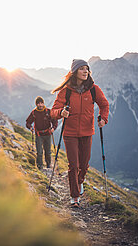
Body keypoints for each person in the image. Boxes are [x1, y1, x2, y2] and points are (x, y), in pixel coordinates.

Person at [50, 59, 109, 208]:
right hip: (69, 133)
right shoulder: (66, 91)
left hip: (87, 132)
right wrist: (61, 112)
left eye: (87, 69)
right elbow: (53, 111)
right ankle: (74, 197)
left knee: (84, 165)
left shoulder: (94, 89)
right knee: (73, 165)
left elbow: (104, 104)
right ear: (74, 72)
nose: (85, 72)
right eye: (82, 69)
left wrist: (104, 118)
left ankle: (80, 181)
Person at [26, 96, 58, 170]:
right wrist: (30, 127)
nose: (40, 105)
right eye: (38, 103)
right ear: (36, 104)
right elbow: (28, 122)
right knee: (39, 152)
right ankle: (40, 167)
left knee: (48, 152)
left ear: (43, 103)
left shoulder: (48, 111)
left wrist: (53, 128)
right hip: (39, 135)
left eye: (41, 103)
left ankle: (48, 165)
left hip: (48, 134)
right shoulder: (34, 113)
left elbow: (55, 121)